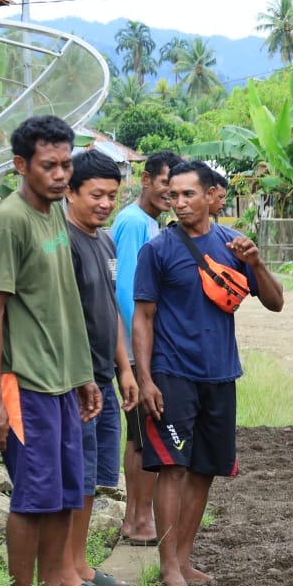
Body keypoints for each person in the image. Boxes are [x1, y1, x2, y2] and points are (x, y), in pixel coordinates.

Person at [0, 114, 104, 586]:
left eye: (65, 163)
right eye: (48, 165)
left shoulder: (53, 214)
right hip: (23, 383)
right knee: (33, 495)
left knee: (66, 491)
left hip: (61, 380)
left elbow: (65, 302)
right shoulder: (9, 221)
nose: (59, 174)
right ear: (20, 165)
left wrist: (84, 373)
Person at [134, 161, 284, 586]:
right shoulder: (158, 250)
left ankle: (184, 559)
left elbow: (274, 302)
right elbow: (142, 318)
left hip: (220, 372)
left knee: (204, 470)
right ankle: (168, 571)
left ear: (211, 196)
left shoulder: (233, 245)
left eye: (187, 195)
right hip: (172, 371)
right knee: (173, 468)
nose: (178, 203)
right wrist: (144, 378)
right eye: (172, 195)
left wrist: (256, 262)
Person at [62, 149, 139, 586]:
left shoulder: (104, 241)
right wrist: (80, 377)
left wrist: (125, 368)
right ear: (70, 191)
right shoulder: (64, 243)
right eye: (96, 194)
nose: (106, 203)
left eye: (112, 195)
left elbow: (109, 309)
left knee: (94, 478)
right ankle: (69, 572)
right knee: (77, 478)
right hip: (78, 381)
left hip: (105, 376)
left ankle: (81, 563)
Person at [110, 149, 180, 545]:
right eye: (166, 183)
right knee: (141, 436)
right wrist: (140, 355)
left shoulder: (151, 223)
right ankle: (136, 520)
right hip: (138, 351)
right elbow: (126, 291)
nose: (171, 192)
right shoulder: (134, 223)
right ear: (146, 180)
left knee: (145, 435)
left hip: (146, 349)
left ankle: (140, 517)